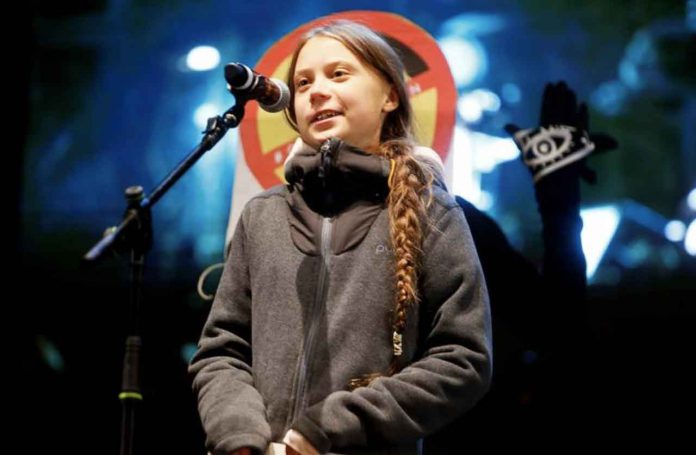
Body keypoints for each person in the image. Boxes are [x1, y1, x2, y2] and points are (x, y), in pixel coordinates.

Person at [188, 20, 493, 455]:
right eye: (303, 82)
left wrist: (324, 430)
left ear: (390, 95)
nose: (316, 91)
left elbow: (464, 359)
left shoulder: (433, 212)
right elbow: (222, 351)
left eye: (338, 74)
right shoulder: (263, 215)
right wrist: (239, 438)